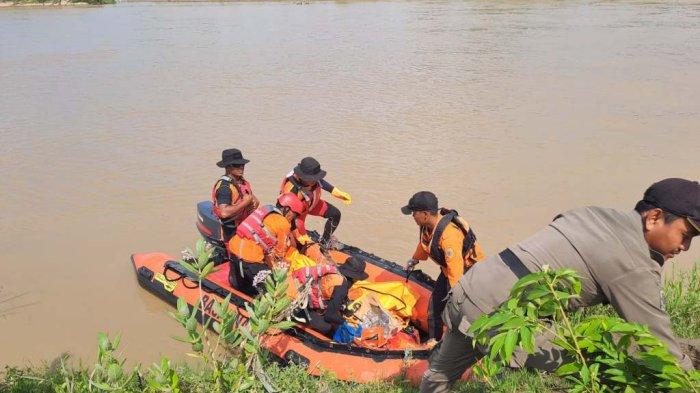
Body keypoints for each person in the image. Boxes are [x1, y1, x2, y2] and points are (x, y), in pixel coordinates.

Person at [420, 178, 700, 392]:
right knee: (606, 362)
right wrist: (689, 381)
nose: (685, 247)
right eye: (685, 235)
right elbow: (657, 340)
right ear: (653, 218)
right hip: (501, 318)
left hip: (471, 289)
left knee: (438, 376)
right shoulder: (633, 262)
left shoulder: (595, 213)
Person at [401, 191, 485, 340]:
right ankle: (434, 341)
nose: (412, 216)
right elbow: (426, 243)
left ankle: (458, 343)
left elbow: (456, 270)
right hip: (448, 271)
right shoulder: (427, 226)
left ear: (425, 214)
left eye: (414, 213)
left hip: (466, 274)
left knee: (456, 313)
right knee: (434, 310)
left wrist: (454, 298)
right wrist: (415, 260)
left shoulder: (449, 236)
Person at [227, 193, 305, 295]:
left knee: (239, 284)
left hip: (233, 248)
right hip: (250, 258)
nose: (292, 219)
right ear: (287, 209)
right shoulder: (283, 223)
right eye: (293, 215)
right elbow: (279, 254)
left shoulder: (265, 209)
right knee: (274, 290)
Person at [280, 157, 352, 247]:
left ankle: (324, 243)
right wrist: (300, 235)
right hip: (298, 215)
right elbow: (289, 218)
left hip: (311, 204)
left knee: (335, 214)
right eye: (313, 178)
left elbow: (322, 182)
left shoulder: (311, 180)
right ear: (302, 177)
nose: (316, 180)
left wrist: (337, 193)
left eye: (316, 177)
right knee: (303, 244)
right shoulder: (291, 191)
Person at [292, 256, 369, 336]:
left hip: (301, 293)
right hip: (297, 303)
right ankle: (295, 318)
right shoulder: (341, 286)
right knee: (326, 327)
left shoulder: (335, 271)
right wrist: (345, 322)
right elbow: (329, 316)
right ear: (354, 277)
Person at [212, 148, 259, 242]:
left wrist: (254, 201)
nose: (241, 167)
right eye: (237, 165)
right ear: (227, 167)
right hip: (231, 231)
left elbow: (249, 197)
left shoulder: (241, 181)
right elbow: (224, 213)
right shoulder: (224, 188)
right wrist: (245, 202)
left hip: (245, 225)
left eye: (242, 164)